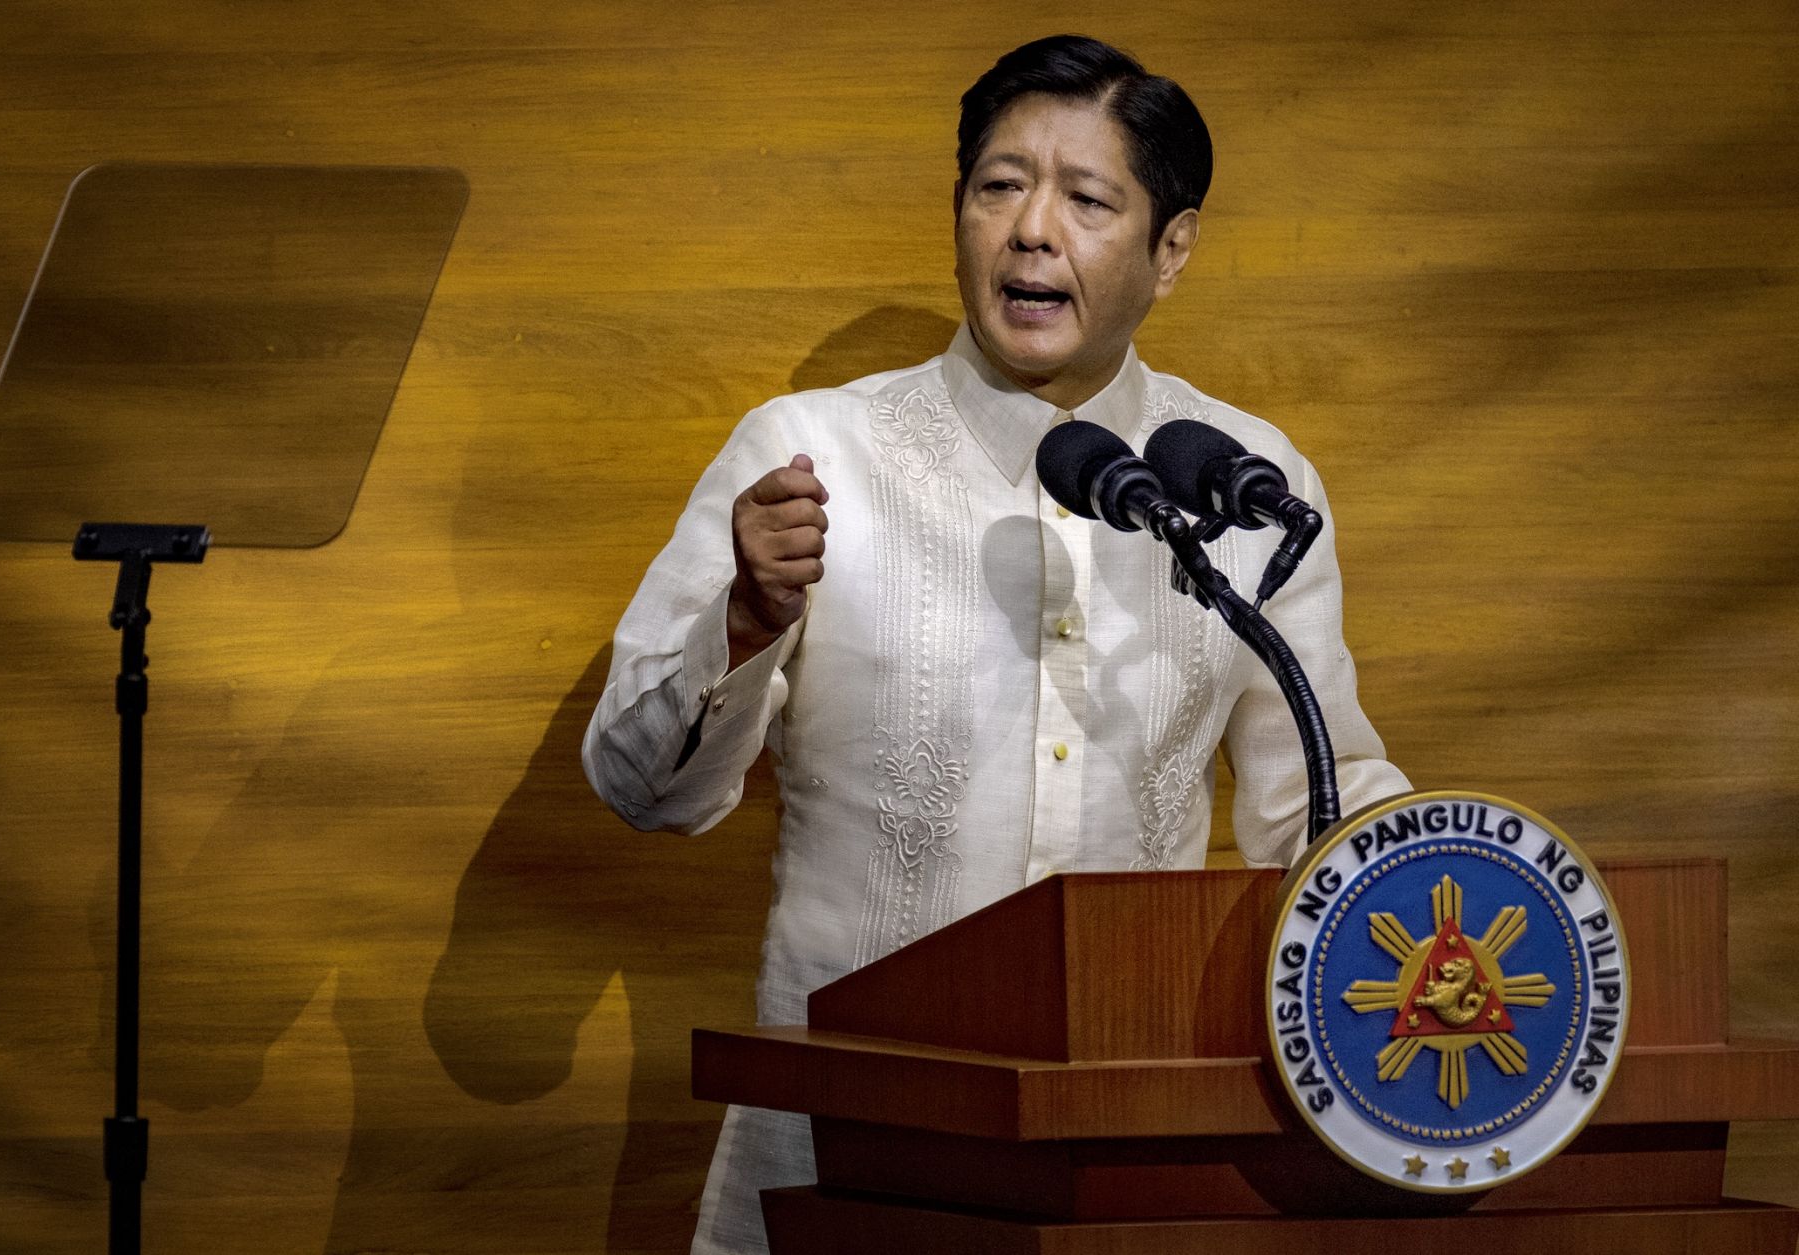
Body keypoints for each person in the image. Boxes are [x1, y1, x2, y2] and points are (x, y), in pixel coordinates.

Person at [583, 34, 1410, 1254]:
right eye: (999, 186)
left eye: (1085, 200)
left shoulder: (1247, 483)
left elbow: (1317, 812)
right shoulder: (813, 456)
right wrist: (745, 619)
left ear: (1170, 247)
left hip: (1127, 1154)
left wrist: (1459, 899)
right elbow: (638, 788)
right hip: (845, 1145)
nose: (1031, 230)